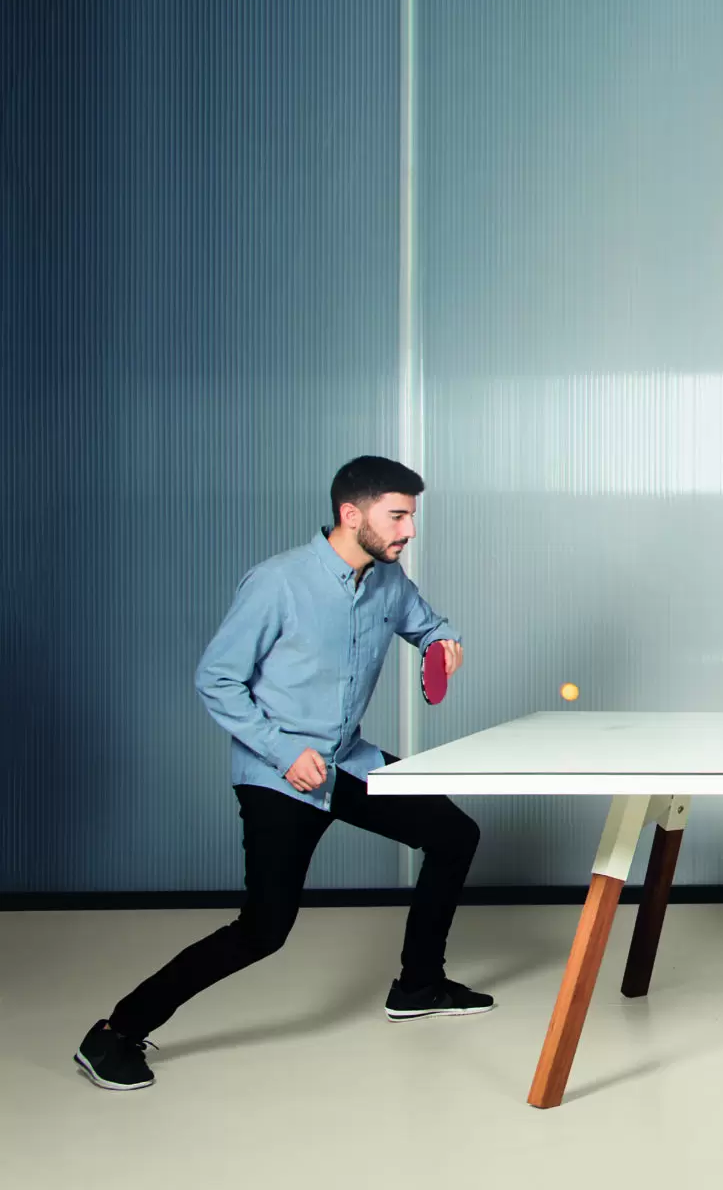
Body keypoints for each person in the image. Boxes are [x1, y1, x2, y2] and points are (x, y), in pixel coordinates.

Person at [75, 456, 492, 1091]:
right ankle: (114, 1033)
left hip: (346, 760)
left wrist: (443, 643)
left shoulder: (387, 579)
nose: (409, 530)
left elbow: (428, 625)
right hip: (279, 774)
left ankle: (418, 985)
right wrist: (281, 750)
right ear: (351, 515)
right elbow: (217, 679)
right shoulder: (277, 582)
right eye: (397, 516)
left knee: (455, 835)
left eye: (411, 516)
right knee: (263, 930)